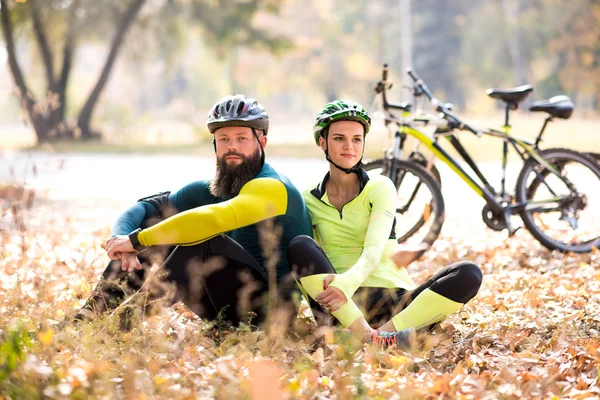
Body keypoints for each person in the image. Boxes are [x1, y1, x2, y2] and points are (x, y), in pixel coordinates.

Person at [75, 94, 313, 330]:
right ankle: (86, 319)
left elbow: (212, 219)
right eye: (224, 140)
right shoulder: (212, 189)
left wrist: (137, 240)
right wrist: (124, 242)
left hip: (269, 316)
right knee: (160, 225)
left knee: (200, 240)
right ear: (215, 145)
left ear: (262, 142)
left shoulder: (274, 187)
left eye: (242, 138)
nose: (232, 147)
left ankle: (122, 323)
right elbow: (147, 208)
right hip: (221, 307)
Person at [287, 100, 483, 349]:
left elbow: (373, 251)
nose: (350, 146)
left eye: (357, 139)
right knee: (299, 245)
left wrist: (348, 283)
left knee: (468, 273)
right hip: (342, 306)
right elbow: (304, 267)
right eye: (339, 138)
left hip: (396, 304)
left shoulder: (380, 187)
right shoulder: (307, 199)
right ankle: (369, 336)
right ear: (323, 142)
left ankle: (379, 338)